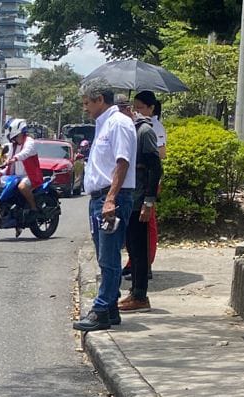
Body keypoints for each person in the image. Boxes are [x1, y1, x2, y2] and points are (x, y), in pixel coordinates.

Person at [74, 84, 137, 333]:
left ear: (100, 99)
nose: (85, 109)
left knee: (109, 257)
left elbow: (122, 162)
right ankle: (109, 308)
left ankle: (101, 309)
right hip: (99, 198)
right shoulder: (104, 124)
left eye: (87, 103)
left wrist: (111, 199)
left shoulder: (119, 123)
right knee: (104, 256)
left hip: (113, 197)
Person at [119, 95, 163, 313]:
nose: (134, 111)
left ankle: (140, 295)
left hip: (140, 200)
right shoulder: (130, 131)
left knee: (139, 249)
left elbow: (156, 169)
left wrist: (148, 201)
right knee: (132, 249)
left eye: (137, 108)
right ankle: (135, 292)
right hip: (130, 199)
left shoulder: (145, 132)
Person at [1, 117, 43, 215]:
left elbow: (25, 153)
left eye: (10, 130)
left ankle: (34, 208)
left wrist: (14, 158)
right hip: (16, 176)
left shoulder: (29, 142)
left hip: (29, 176)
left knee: (22, 187)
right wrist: (3, 168)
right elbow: (9, 159)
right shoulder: (13, 145)